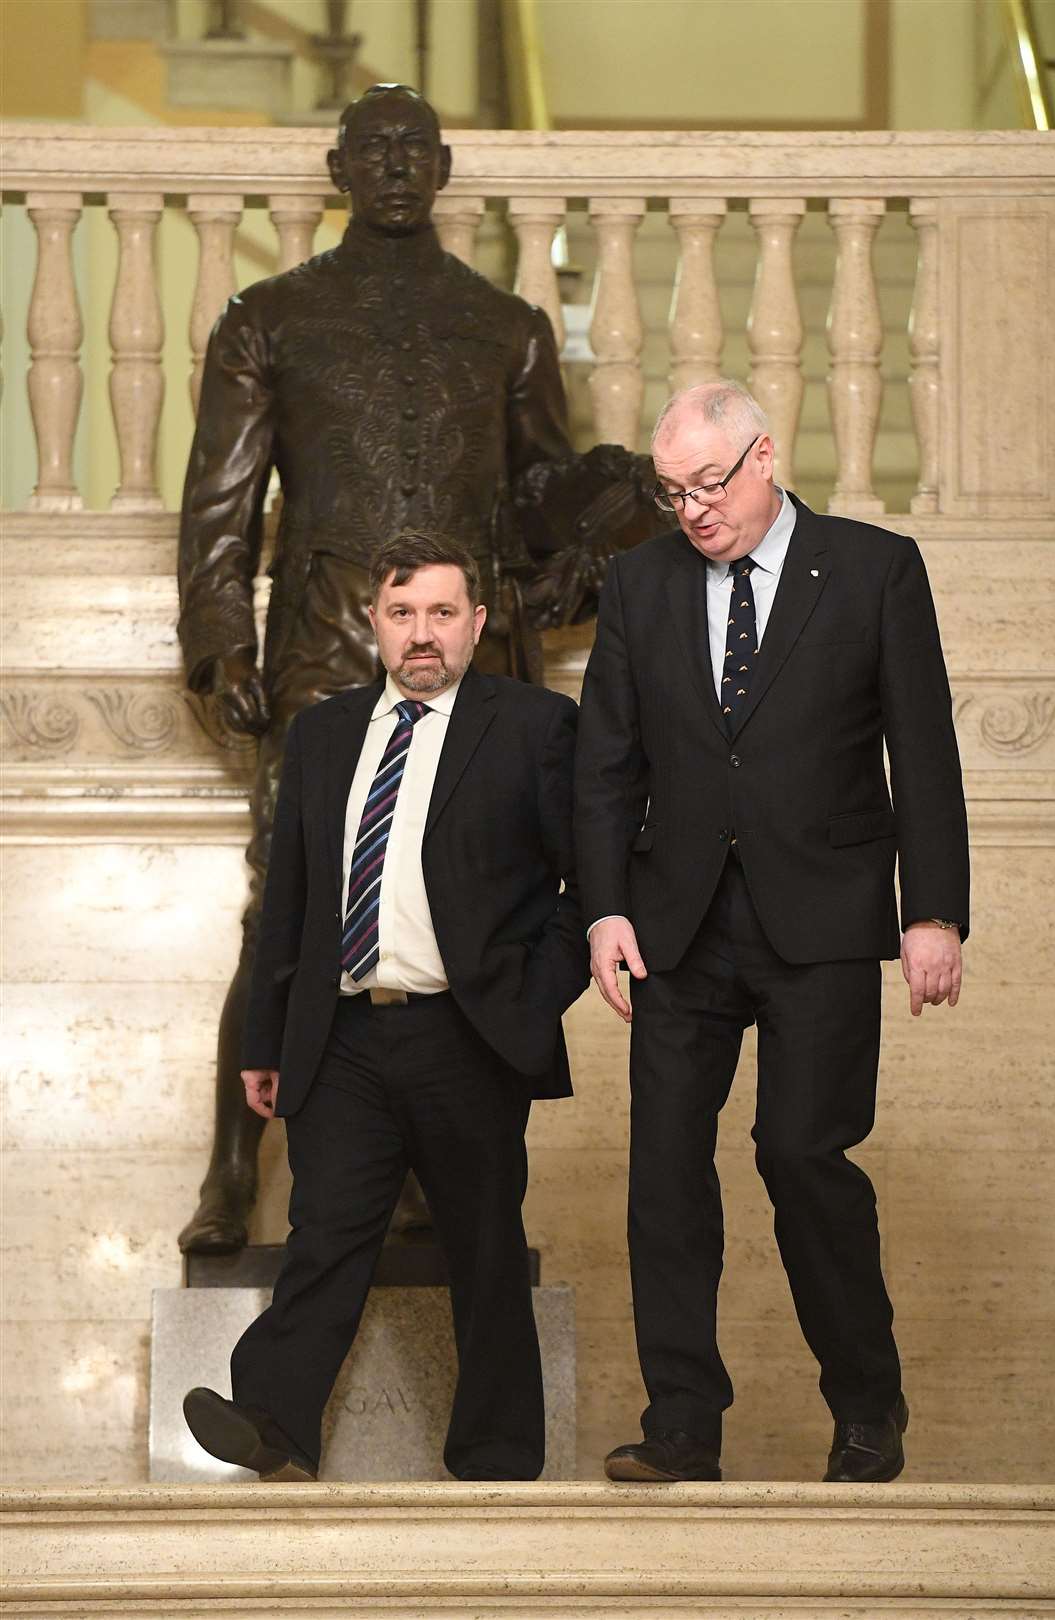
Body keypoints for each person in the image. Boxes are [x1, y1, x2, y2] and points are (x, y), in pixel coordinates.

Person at [176, 81, 655, 1254]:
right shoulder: (269, 315)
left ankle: (426, 1167)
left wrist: (609, 521)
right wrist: (219, 636)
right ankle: (235, 1167)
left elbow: (543, 495)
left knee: (467, 904)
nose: (394, 166)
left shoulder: (507, 326)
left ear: (442, 168)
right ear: (339, 169)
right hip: (327, 632)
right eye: (372, 150)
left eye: (413, 150)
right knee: (286, 905)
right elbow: (223, 503)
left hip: (471, 637)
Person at [574, 381, 969, 1484]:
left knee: (800, 1156)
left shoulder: (873, 568)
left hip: (826, 917)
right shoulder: (638, 583)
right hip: (677, 925)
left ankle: (866, 1408)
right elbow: (606, 763)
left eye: (708, 484)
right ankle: (683, 1428)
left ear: (765, 456)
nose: (692, 511)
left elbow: (923, 753)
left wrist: (932, 911)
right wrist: (604, 908)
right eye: (672, 493)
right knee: (663, 1175)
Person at [183, 530, 589, 1482]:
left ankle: (496, 1455)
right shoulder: (325, 734)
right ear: (372, 623)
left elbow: (590, 887)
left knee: (484, 1249)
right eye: (402, 613)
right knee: (325, 1234)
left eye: (443, 614)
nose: (422, 635)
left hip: (468, 1034)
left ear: (477, 624)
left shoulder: (531, 727)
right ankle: (274, 1422)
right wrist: (266, 1038)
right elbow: (289, 900)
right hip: (347, 1034)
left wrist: (530, 1002)